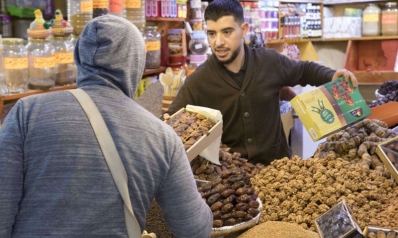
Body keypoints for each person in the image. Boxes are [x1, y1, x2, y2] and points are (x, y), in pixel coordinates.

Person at [0, 15, 212, 237]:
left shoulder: (27, 112)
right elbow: (195, 230)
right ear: (136, 64)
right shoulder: (162, 137)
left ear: (78, 59)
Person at [165, 0, 358, 166]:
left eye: (227, 32)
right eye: (212, 34)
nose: (218, 42)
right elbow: (170, 122)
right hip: (233, 183)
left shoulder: (269, 62)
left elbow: (304, 70)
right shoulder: (199, 81)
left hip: (279, 169)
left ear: (243, 30)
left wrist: (332, 75)